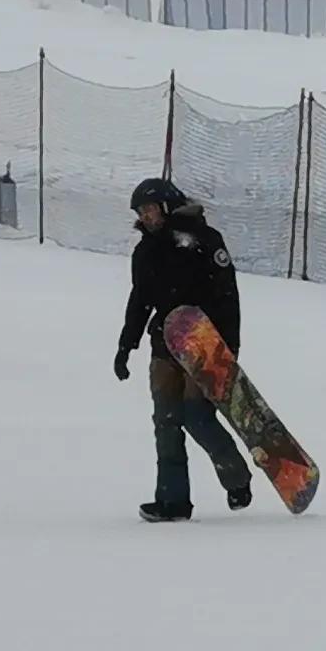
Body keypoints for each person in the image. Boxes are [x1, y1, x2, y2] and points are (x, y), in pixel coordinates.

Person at [117, 174, 252, 522]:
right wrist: (125, 345)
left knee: (195, 415)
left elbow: (227, 298)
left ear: (166, 206)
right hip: (164, 345)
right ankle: (172, 501)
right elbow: (140, 299)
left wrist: (228, 348)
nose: (146, 217)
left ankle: (236, 477)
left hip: (205, 345)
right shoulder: (145, 251)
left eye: (150, 209)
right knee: (166, 420)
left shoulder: (204, 241)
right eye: (141, 212)